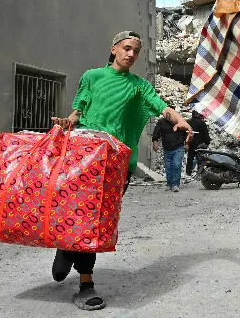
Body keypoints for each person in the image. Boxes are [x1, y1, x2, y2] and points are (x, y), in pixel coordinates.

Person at [49, 30, 193, 311]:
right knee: (81, 215)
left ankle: (70, 254)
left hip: (118, 166)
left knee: (97, 220)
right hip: (86, 160)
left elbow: (161, 106)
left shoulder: (138, 85)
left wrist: (180, 120)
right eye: (127, 48)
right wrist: (67, 122)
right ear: (113, 49)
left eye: (136, 51)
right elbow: (78, 110)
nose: (131, 54)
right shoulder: (92, 77)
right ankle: (85, 281)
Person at [152, 108, 187, 191]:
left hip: (178, 147)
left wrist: (187, 143)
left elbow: (186, 133)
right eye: (166, 113)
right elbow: (156, 133)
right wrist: (155, 142)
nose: (168, 115)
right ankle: (169, 183)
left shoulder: (180, 121)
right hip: (167, 148)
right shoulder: (161, 122)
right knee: (168, 167)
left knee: (177, 164)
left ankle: (175, 184)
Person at [185, 110, 211, 176]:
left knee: (190, 159)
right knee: (200, 160)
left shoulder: (188, 122)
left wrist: (186, 143)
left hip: (191, 144)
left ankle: (188, 172)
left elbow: (185, 134)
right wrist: (207, 143)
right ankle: (200, 173)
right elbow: (205, 134)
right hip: (200, 145)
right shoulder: (201, 123)